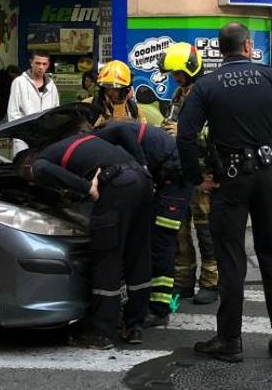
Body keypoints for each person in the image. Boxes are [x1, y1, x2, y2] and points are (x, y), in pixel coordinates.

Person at [176, 22, 272, 362]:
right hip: (266, 177)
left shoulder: (206, 86)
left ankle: (230, 340)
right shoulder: (271, 77)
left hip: (229, 180)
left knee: (231, 258)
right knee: (271, 254)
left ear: (221, 51)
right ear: (248, 46)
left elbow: (185, 136)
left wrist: (197, 177)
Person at [14, 129, 153, 350]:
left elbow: (42, 170)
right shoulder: (81, 140)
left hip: (117, 186)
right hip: (142, 180)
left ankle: (102, 333)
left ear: (26, 166)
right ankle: (135, 326)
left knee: (107, 258)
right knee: (138, 254)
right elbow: (121, 135)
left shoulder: (40, 161)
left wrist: (87, 188)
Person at [92, 120, 193, 328]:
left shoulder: (102, 136)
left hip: (174, 184)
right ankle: (152, 303)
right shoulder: (116, 137)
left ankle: (159, 309)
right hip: (168, 181)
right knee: (154, 242)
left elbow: (122, 130)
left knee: (162, 244)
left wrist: (143, 166)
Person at [158, 42, 219, 306]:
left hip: (204, 176)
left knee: (206, 234)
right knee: (180, 232)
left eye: (178, 73)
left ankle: (211, 283)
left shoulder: (208, 95)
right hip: (182, 174)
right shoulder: (178, 95)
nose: (175, 78)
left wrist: (182, 131)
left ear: (192, 69)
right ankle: (183, 283)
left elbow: (217, 133)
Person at [7, 51, 60, 154]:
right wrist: (23, 132)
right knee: (24, 165)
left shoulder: (51, 86)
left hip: (45, 137)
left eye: (44, 64)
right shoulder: (19, 83)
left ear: (48, 65)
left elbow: (56, 112)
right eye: (38, 63)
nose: (41, 67)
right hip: (24, 137)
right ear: (31, 62)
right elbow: (13, 112)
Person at [90, 60, 141, 127]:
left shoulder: (132, 107)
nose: (111, 92)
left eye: (116, 89)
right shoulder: (89, 104)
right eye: (108, 87)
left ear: (126, 89)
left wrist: (120, 105)